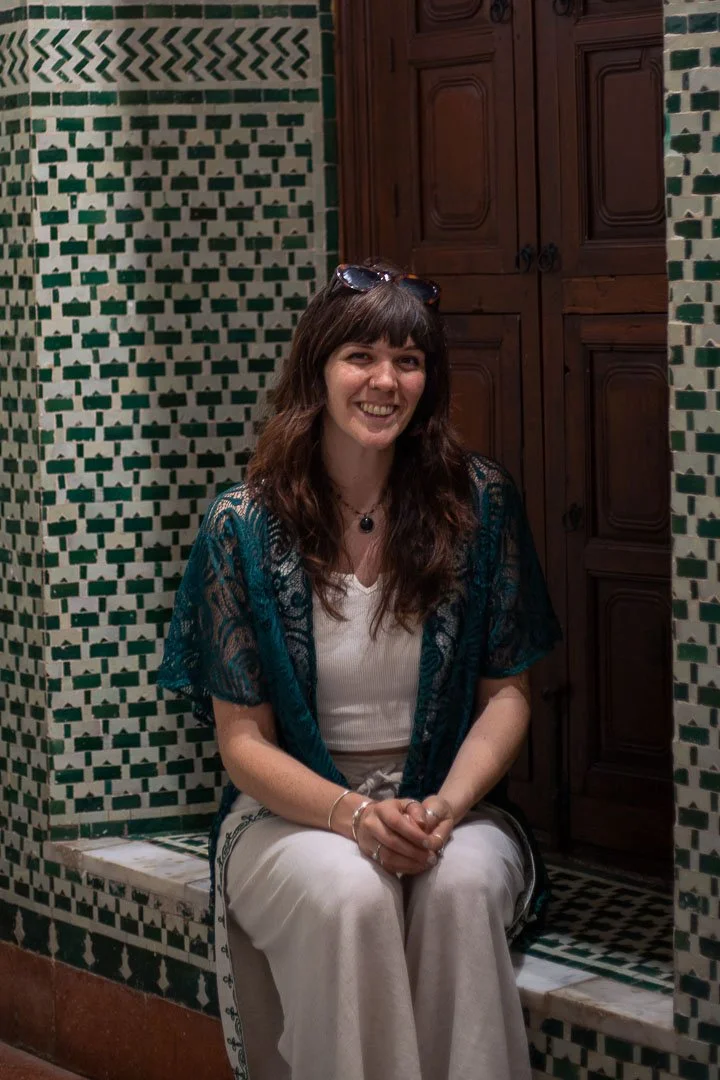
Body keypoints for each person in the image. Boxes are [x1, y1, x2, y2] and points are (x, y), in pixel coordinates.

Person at [157, 260, 562, 1080]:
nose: (385, 380)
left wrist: (443, 809)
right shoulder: (240, 527)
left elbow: (507, 695)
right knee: (350, 893)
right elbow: (243, 746)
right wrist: (352, 815)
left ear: (429, 381)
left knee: (460, 890)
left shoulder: (477, 504)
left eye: (408, 361)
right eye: (361, 357)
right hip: (289, 812)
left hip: (447, 804)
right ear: (318, 370)